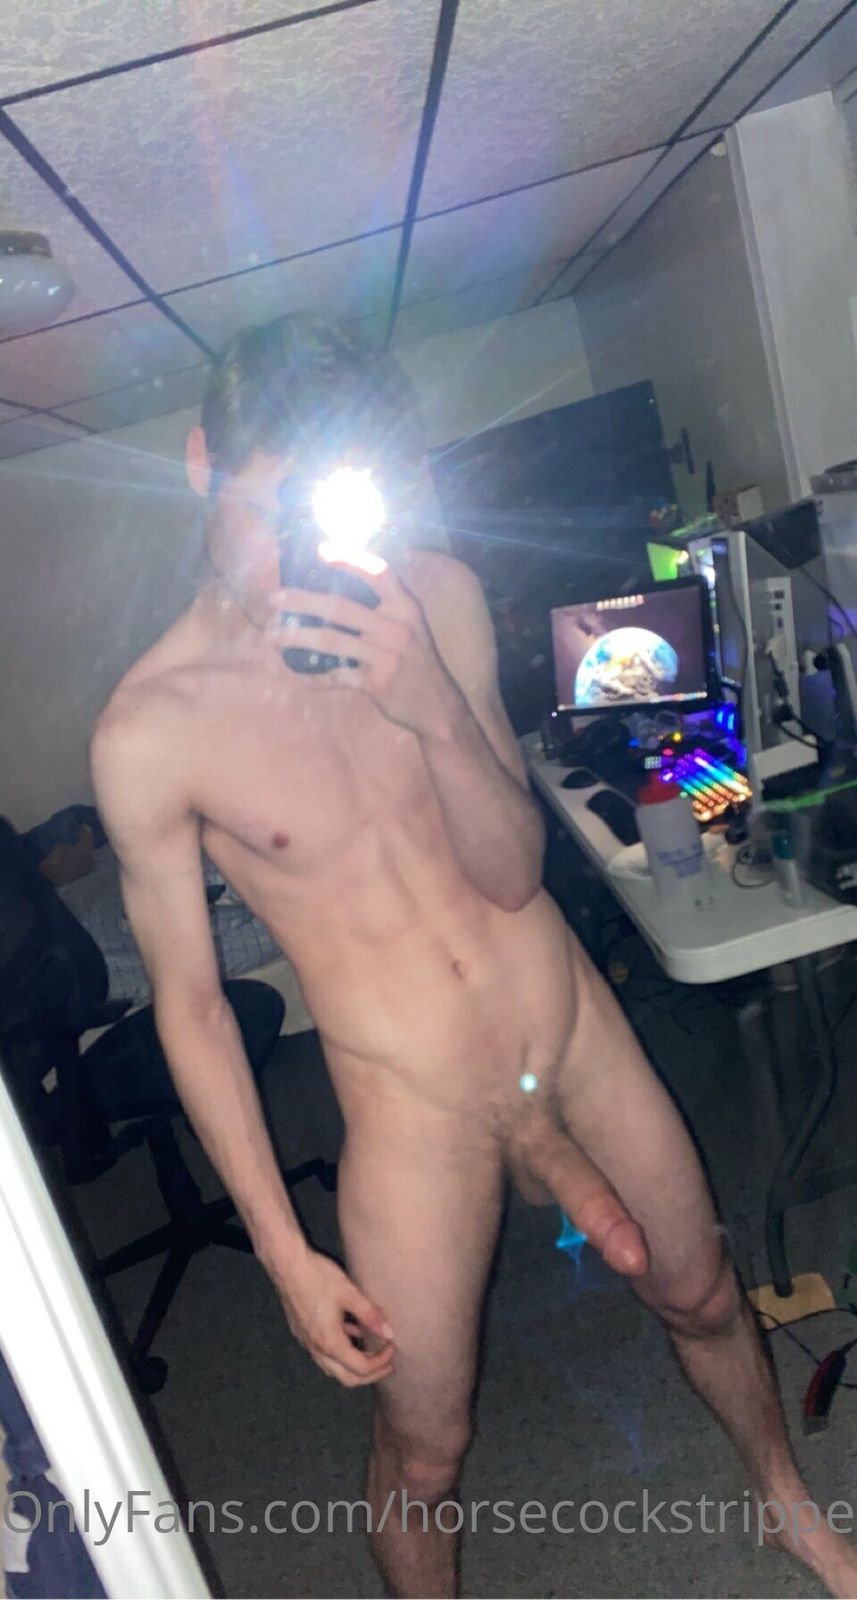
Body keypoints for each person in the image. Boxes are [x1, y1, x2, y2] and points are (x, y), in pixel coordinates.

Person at [90, 315, 857, 1600]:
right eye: (268, 511)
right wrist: (283, 1251)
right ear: (199, 465)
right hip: (409, 1103)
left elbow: (510, 869)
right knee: (425, 1446)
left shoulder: (432, 596)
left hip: (561, 1022)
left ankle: (784, 1505)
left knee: (701, 1290)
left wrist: (434, 709)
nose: (295, 562)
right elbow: (194, 1011)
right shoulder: (146, 734)